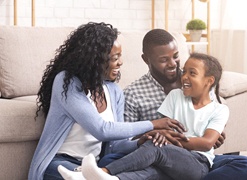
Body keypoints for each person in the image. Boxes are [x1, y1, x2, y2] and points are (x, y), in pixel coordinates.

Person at [28, 23, 186, 180]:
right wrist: (154, 124)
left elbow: (114, 146)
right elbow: (101, 130)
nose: (120, 62)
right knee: (84, 176)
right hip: (60, 163)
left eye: (120, 56)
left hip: (94, 167)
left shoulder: (114, 91)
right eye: (115, 58)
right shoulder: (66, 82)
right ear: (95, 59)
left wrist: (140, 141)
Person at [57, 52, 229, 180]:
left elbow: (206, 144)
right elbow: (163, 129)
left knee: (157, 147)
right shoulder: (175, 96)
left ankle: (102, 172)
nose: (184, 76)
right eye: (184, 71)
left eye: (192, 73)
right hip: (169, 159)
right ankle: (108, 178)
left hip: (197, 163)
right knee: (151, 169)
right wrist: (160, 136)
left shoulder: (219, 110)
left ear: (209, 81)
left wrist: (171, 141)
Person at [122, 29, 247, 179]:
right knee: (113, 161)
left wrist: (213, 133)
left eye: (176, 56)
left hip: (198, 158)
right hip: (160, 157)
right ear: (146, 59)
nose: (173, 64)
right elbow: (126, 141)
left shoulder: (197, 78)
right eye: (163, 60)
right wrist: (152, 135)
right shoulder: (133, 93)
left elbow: (211, 112)